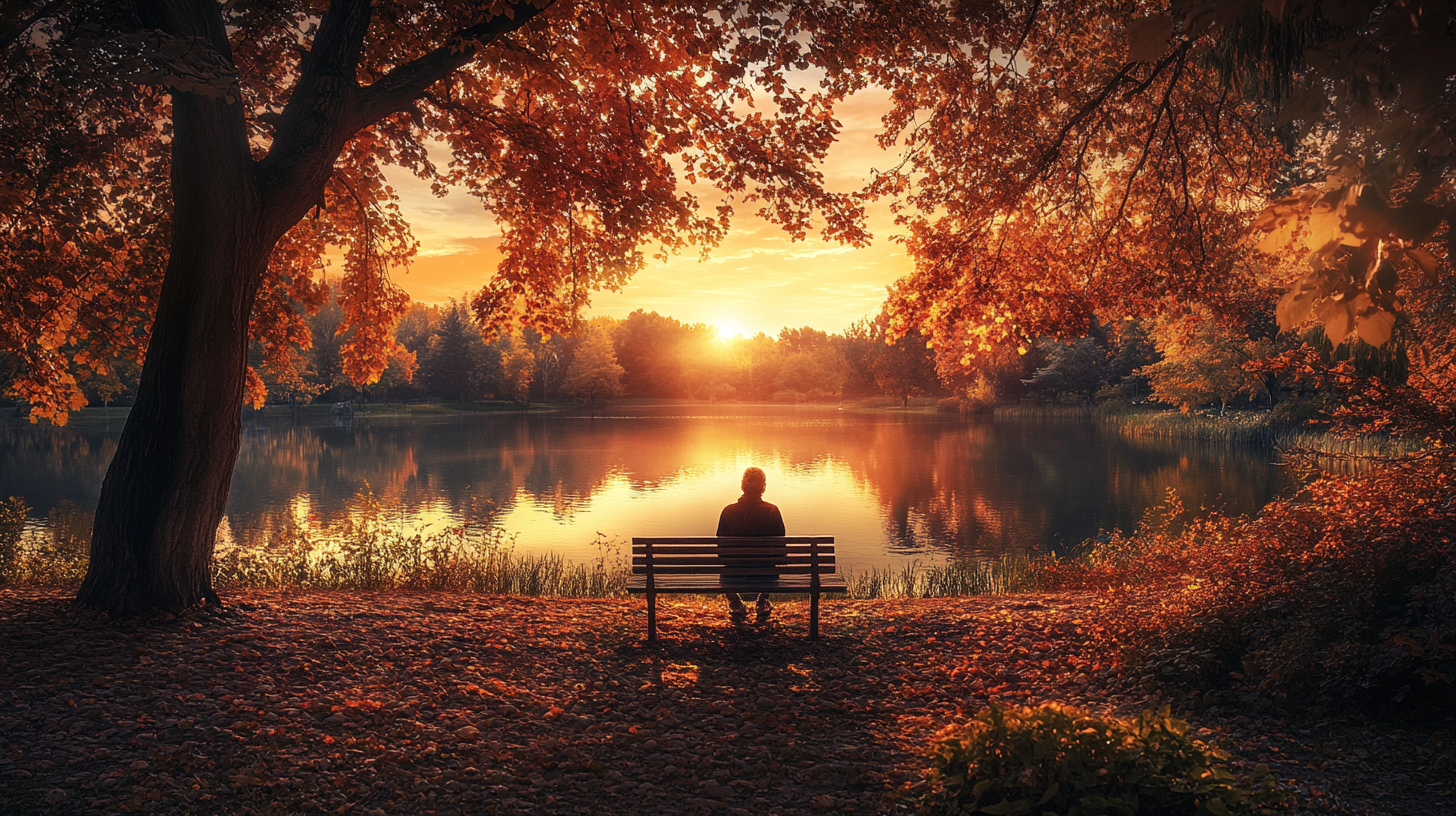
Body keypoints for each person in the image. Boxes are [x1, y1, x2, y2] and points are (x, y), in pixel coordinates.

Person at [716, 466, 786, 624]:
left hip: (733, 574)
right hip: (766, 575)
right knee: (772, 566)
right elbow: (781, 550)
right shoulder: (772, 511)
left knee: (725, 568)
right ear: (763, 487)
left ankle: (734, 602)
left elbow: (720, 550)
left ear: (742, 486)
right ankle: (762, 601)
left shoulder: (728, 511)